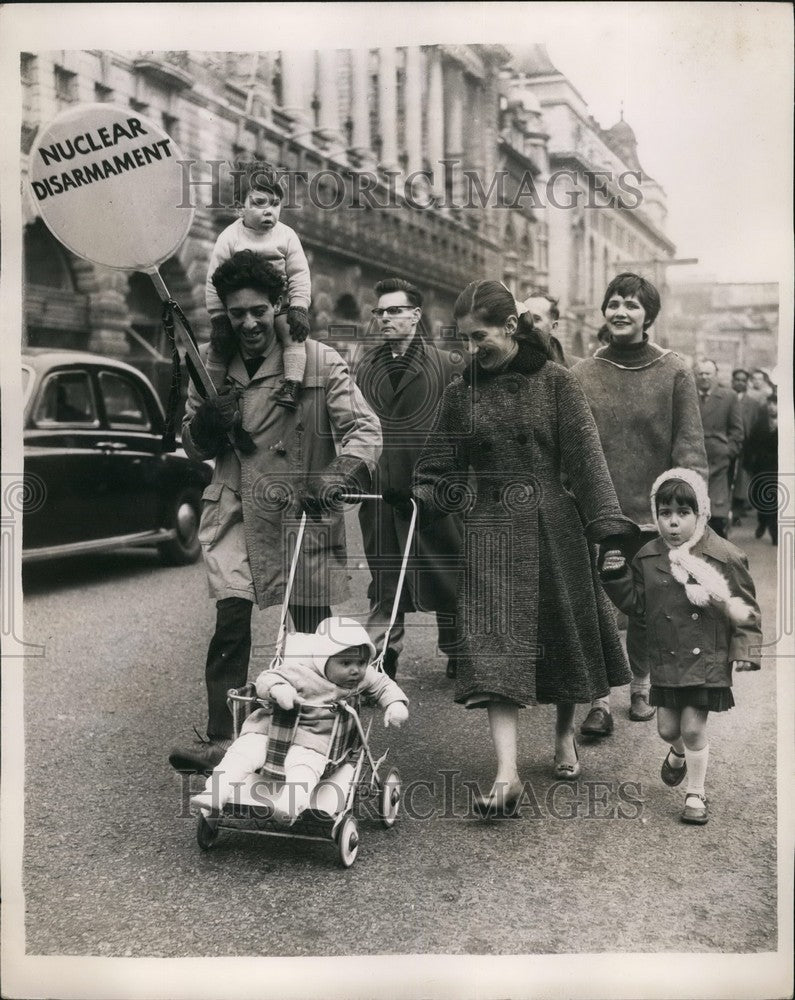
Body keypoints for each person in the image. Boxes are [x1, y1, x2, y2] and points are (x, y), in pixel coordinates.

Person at [412, 280, 637, 815]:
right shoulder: (459, 392)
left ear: (511, 327)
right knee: (496, 651)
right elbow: (432, 469)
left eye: (480, 337)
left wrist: (608, 529)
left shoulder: (557, 383)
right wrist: (450, 495)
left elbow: (586, 462)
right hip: (490, 533)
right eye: (463, 340)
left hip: (554, 528)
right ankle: (507, 772)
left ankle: (562, 736)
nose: (471, 350)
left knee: (562, 640)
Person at [168, 250, 382, 773]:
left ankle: (314, 739)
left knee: (309, 636)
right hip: (237, 509)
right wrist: (207, 430)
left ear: (278, 307)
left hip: (301, 511)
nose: (248, 323)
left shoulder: (319, 360)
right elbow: (193, 445)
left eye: (258, 311)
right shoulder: (212, 367)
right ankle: (224, 739)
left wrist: (332, 480)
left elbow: (365, 431)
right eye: (237, 313)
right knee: (231, 623)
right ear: (225, 314)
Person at [572, 272, 708, 735]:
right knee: (598, 606)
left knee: (648, 608)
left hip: (655, 517)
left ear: (649, 315)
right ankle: (598, 699)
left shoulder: (675, 372)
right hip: (600, 516)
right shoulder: (581, 374)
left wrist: (685, 514)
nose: (620, 312)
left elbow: (688, 448)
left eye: (631, 304)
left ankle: (641, 685)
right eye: (613, 303)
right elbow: (569, 449)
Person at [599, 468, 761, 824]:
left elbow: (743, 606)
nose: (673, 522)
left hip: (708, 656)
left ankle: (695, 794)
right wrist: (615, 576)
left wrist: (746, 650)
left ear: (700, 513)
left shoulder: (724, 556)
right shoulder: (647, 556)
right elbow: (637, 605)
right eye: (665, 513)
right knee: (668, 731)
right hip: (667, 656)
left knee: (692, 729)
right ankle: (677, 754)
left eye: (682, 513)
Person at [190, 617, 409, 822]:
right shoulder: (300, 671)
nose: (356, 670)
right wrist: (279, 689)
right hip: (270, 728)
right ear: (325, 660)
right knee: (242, 753)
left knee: (304, 766)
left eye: (362, 662)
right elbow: (266, 679)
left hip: (315, 738)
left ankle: (289, 804)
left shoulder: (362, 677)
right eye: (345, 663)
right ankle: (215, 792)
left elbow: (383, 685)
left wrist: (395, 704)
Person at [354, 277, 464, 680]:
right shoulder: (365, 367)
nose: (385, 318)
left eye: (395, 310)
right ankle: (384, 652)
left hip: (434, 488)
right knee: (386, 573)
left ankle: (457, 648)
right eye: (380, 312)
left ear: (416, 315)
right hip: (382, 490)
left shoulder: (448, 365)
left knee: (448, 567)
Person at [205, 164, 311, 413]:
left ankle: (292, 384)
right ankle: (212, 391)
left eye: (275, 204)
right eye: (259, 203)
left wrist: (298, 307)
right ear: (239, 207)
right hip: (241, 305)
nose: (269, 212)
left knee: (293, 337)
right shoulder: (230, 236)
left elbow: (299, 274)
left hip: (280, 303)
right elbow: (213, 280)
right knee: (219, 347)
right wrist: (219, 319)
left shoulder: (286, 235)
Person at [695, 359, 744, 539]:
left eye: (708, 373)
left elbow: (737, 431)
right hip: (693, 459)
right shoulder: (688, 396)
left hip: (719, 461)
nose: (704, 377)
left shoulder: (729, 396)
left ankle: (718, 545)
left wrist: (728, 451)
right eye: (700, 373)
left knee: (717, 509)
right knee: (694, 508)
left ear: (716, 376)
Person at [730, 368, 763, 524]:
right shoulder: (726, 398)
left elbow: (756, 427)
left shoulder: (753, 404)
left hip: (745, 447)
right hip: (728, 445)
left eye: (743, 380)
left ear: (747, 383)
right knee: (726, 479)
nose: (740, 383)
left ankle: (736, 511)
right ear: (732, 381)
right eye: (737, 379)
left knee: (741, 481)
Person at [745, 394, 779, 545]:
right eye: (770, 403)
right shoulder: (760, 423)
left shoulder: (788, 421)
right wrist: (750, 463)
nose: (772, 406)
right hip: (763, 466)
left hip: (780, 465)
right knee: (763, 497)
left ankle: (774, 531)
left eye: (776, 403)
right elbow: (751, 444)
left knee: (775, 498)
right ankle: (762, 521)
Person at [519, 291, 581, 368]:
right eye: (524, 318)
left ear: (554, 327)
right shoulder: (506, 363)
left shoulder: (576, 367)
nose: (528, 324)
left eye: (537, 319)